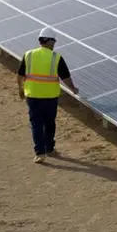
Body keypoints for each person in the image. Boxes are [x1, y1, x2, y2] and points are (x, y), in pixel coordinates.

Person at [17, 27, 79, 163]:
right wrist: (73, 89)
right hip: (50, 97)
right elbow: (65, 77)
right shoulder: (56, 57)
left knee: (36, 124)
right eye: (54, 41)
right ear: (50, 41)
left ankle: (40, 152)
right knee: (49, 123)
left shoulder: (29, 55)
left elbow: (20, 74)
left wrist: (21, 89)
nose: (54, 44)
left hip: (33, 96)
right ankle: (49, 147)